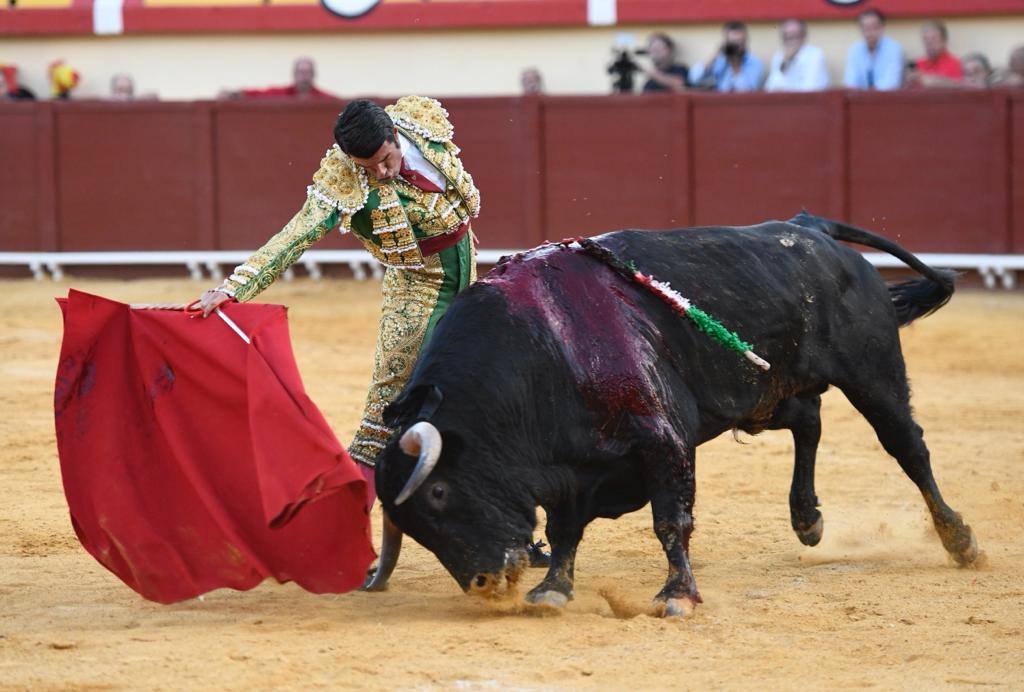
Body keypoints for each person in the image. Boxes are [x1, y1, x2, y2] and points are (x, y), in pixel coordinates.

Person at [196, 96, 479, 484]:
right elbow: (296, 234)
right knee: (386, 404)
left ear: (395, 135)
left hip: (469, 274)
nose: (380, 172)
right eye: (368, 166)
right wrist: (235, 287)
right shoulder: (343, 178)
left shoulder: (419, 123)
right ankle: (347, 506)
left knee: (474, 378)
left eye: (386, 160)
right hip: (417, 289)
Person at [688, 21, 764, 93]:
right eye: (733, 42)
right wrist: (715, 56)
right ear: (726, 42)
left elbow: (746, 90)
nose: (737, 46)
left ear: (746, 42)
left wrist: (735, 65)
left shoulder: (754, 62)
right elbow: (694, 78)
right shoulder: (720, 59)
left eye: (740, 42)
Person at [843, 9, 904, 91]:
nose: (870, 32)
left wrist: (868, 93)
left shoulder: (894, 49)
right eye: (866, 28)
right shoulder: (855, 50)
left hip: (887, 100)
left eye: (874, 27)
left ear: (882, 28)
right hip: (859, 100)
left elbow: (892, 83)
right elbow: (850, 82)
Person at [221, 57, 337, 100]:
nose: (304, 77)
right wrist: (234, 94)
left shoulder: (323, 98)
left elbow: (338, 103)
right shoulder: (282, 93)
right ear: (294, 74)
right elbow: (259, 94)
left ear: (313, 74)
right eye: (301, 72)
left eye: (307, 72)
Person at [764, 19, 830, 92]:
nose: (791, 41)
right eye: (786, 37)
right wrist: (784, 64)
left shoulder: (815, 55)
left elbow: (811, 89)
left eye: (794, 36)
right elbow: (770, 89)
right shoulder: (779, 57)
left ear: (803, 36)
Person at [907, 20, 962, 87]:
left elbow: (960, 87)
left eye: (933, 39)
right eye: (925, 39)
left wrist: (936, 81)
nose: (929, 43)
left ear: (944, 41)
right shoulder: (918, 64)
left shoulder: (956, 64)